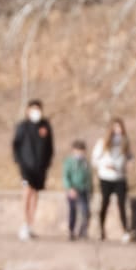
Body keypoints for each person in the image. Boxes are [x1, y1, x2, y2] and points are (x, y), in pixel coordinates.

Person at [11, 99, 54, 240]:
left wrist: (47, 163)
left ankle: (30, 224)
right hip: (26, 168)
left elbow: (50, 147)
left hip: (40, 168)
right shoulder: (23, 126)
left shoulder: (45, 126)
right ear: (28, 110)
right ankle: (24, 223)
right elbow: (16, 145)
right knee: (27, 191)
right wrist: (19, 161)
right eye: (33, 109)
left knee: (35, 193)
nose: (36, 112)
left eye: (38, 109)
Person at [92, 117, 134, 241]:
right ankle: (101, 229)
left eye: (119, 127)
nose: (118, 130)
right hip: (106, 177)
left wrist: (130, 164)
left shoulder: (125, 142)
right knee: (105, 202)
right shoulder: (103, 142)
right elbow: (94, 159)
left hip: (120, 177)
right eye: (115, 127)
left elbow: (130, 157)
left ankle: (126, 231)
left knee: (122, 204)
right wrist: (104, 165)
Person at [62, 139, 92, 241]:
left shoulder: (85, 163)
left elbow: (89, 177)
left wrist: (90, 189)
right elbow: (66, 176)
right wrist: (70, 188)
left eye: (82, 151)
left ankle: (82, 231)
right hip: (72, 189)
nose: (80, 153)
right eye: (78, 151)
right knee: (72, 211)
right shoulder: (69, 162)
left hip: (83, 189)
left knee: (86, 211)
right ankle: (71, 230)